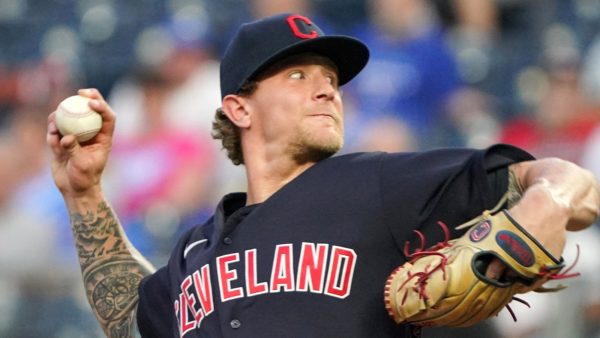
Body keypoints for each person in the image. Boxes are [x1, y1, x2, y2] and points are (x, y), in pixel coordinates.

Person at [46, 13, 599, 338]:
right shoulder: (195, 249)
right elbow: (128, 318)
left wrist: (545, 205)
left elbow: (568, 181)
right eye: (298, 74)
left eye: (331, 77)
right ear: (239, 109)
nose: (326, 87)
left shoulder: (376, 185)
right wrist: (83, 193)